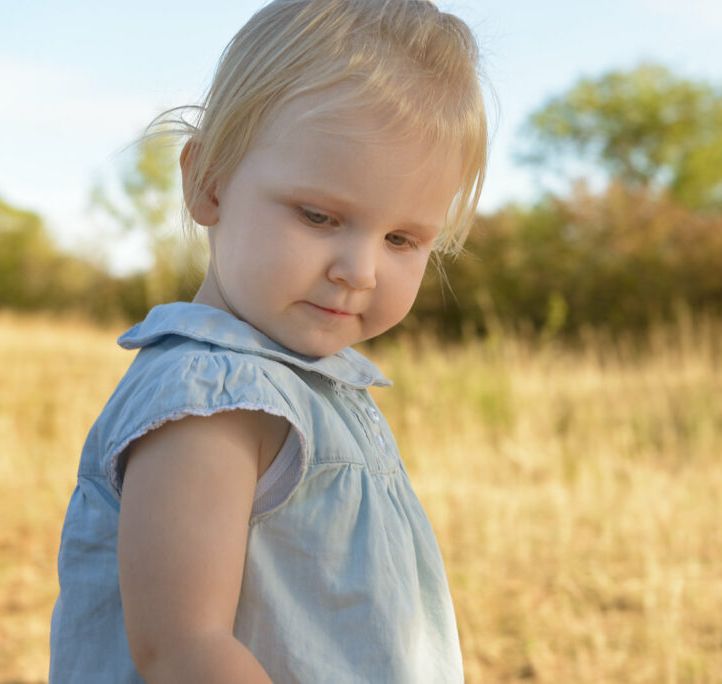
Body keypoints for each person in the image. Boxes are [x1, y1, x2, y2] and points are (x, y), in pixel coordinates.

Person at [48, 1, 489, 681]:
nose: (360, 270)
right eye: (319, 216)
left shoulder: (305, 385)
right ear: (209, 183)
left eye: (402, 239)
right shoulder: (210, 399)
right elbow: (184, 650)